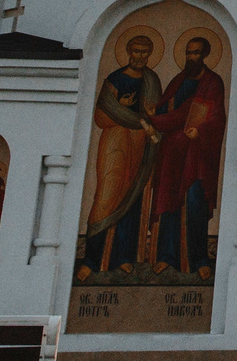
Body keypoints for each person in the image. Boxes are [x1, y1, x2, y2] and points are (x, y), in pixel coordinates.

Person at [84, 35, 163, 275]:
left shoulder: (152, 80)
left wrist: (150, 118)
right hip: (115, 146)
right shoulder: (115, 80)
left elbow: (156, 115)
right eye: (136, 51)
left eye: (145, 52)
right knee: (106, 197)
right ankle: (91, 260)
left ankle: (123, 257)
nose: (140, 56)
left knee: (133, 200)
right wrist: (129, 115)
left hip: (140, 147)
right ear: (129, 52)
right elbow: (101, 116)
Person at [151, 35, 227, 271]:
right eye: (188, 52)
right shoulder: (179, 80)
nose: (191, 57)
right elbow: (166, 107)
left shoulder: (213, 82)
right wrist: (155, 113)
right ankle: (166, 256)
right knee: (170, 199)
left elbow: (217, 117)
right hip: (173, 154)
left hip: (197, 155)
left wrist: (201, 131)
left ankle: (199, 260)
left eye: (196, 53)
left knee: (195, 203)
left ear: (204, 55)